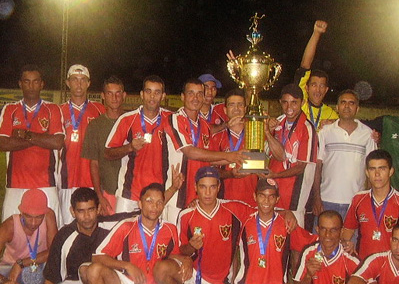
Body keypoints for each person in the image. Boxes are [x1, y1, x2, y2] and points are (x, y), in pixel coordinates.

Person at [85, 183, 192, 284]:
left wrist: (187, 259)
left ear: (163, 205)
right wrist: (127, 266)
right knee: (93, 271)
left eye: (159, 202)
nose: (154, 207)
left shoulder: (169, 229)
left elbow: (174, 255)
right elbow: (98, 257)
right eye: (149, 201)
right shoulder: (126, 226)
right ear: (140, 204)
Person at [154, 167, 255, 284]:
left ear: (219, 187)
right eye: (202, 187)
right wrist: (191, 248)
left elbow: (263, 213)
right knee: (161, 269)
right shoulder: (187, 214)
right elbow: (181, 250)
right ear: (195, 187)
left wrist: (287, 214)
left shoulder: (233, 209)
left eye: (212, 187)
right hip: (193, 272)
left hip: (218, 279)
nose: (207, 192)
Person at [225, 178, 305, 284]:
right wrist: (196, 201)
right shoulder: (245, 218)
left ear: (277, 199)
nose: (266, 201)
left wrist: (344, 244)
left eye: (271, 196)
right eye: (262, 196)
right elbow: (219, 203)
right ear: (255, 196)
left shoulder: (288, 224)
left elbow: (312, 242)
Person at [163, 78, 246, 223]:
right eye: (191, 93)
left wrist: (237, 158)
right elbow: (190, 152)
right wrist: (228, 156)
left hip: (198, 197)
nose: (196, 98)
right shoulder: (176, 119)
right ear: (182, 96)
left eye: (199, 94)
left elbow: (209, 158)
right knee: (175, 241)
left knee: (196, 242)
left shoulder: (204, 125)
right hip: (178, 194)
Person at [342, 149, 399, 284]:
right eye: (372, 169)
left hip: (393, 268)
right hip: (364, 266)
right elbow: (346, 232)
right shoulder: (358, 199)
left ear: (391, 171)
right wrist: (346, 243)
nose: (377, 174)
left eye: (382, 169)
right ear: (367, 173)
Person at [0, 65, 64, 223]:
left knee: (50, 235)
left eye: (35, 82)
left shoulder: (52, 109)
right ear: (20, 84)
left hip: (46, 184)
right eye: (27, 82)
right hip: (15, 185)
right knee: (13, 235)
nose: (31, 86)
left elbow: (57, 142)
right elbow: (3, 144)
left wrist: (26, 136)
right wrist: (42, 139)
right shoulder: (10, 109)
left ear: (42, 84)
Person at [38, 188, 109, 284]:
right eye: (81, 211)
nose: (87, 216)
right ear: (72, 211)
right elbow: (50, 278)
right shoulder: (64, 236)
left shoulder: (109, 226)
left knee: (98, 270)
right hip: (77, 281)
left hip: (107, 281)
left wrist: (172, 188)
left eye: (90, 210)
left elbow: (146, 214)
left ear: (98, 209)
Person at [104, 75, 176, 213]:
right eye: (148, 91)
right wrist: (130, 147)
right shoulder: (127, 119)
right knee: (123, 232)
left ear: (163, 96)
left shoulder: (171, 119)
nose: (152, 96)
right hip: (130, 194)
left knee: (153, 234)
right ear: (142, 94)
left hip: (158, 194)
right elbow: (107, 153)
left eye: (157, 92)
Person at [210, 89, 284, 206]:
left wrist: (267, 132)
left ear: (245, 108)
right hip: (225, 201)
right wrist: (230, 173)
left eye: (240, 105)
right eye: (232, 105)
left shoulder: (257, 132)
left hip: (255, 201)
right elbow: (212, 169)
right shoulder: (217, 136)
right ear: (225, 110)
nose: (236, 109)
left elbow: (281, 156)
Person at [312, 89, 376, 220]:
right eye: (343, 102)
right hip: (326, 200)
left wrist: (369, 200)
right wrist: (317, 198)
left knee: (351, 240)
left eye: (351, 103)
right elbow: (317, 167)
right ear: (337, 107)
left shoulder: (368, 134)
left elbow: (372, 170)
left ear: (357, 109)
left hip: (356, 202)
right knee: (324, 240)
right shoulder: (325, 132)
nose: (347, 106)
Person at [58, 65, 105, 226]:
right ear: (67, 83)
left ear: (88, 83)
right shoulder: (58, 111)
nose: (78, 84)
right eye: (74, 80)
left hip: (93, 180)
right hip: (66, 180)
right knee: (66, 226)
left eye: (82, 80)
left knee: (92, 227)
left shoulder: (100, 110)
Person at [0, 189, 57, 284]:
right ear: (21, 212)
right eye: (28, 216)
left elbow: (54, 251)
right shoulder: (8, 227)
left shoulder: (49, 216)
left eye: (38, 217)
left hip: (40, 263)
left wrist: (22, 263)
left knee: (59, 265)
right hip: (11, 268)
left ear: (44, 213)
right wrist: (4, 281)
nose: (33, 223)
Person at [267, 83, 318, 227]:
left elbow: (301, 167)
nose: (289, 107)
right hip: (275, 187)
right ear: (280, 103)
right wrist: (267, 131)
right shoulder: (277, 123)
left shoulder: (307, 129)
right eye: (285, 102)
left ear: (302, 102)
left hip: (294, 192)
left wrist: (275, 175)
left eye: (294, 102)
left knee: (295, 234)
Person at [82, 76, 127, 215]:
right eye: (109, 93)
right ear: (103, 96)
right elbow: (94, 164)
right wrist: (99, 196)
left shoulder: (132, 121)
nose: (114, 98)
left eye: (118, 93)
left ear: (124, 95)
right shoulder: (95, 126)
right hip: (108, 192)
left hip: (131, 193)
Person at [295, 20, 337, 130]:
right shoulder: (300, 104)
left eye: (322, 86)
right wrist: (316, 33)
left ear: (326, 90)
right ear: (307, 88)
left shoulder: (331, 115)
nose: (318, 90)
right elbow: (305, 65)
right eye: (314, 85)